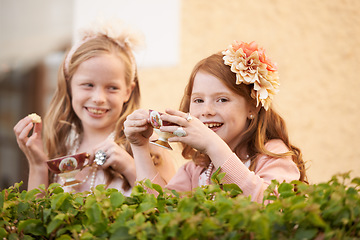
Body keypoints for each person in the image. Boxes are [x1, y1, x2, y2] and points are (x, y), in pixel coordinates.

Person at [124, 40, 307, 202]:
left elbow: (272, 206)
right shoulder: (196, 171)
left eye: (222, 99)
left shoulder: (272, 155)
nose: (207, 111)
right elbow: (158, 211)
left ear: (253, 107)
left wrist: (213, 145)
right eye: (198, 100)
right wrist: (140, 147)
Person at [13, 19, 176, 195]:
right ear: (69, 85)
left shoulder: (147, 146)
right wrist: (38, 165)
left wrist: (130, 167)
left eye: (112, 88)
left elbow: (169, 211)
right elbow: (34, 219)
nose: (98, 98)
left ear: (128, 91)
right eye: (88, 85)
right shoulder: (61, 147)